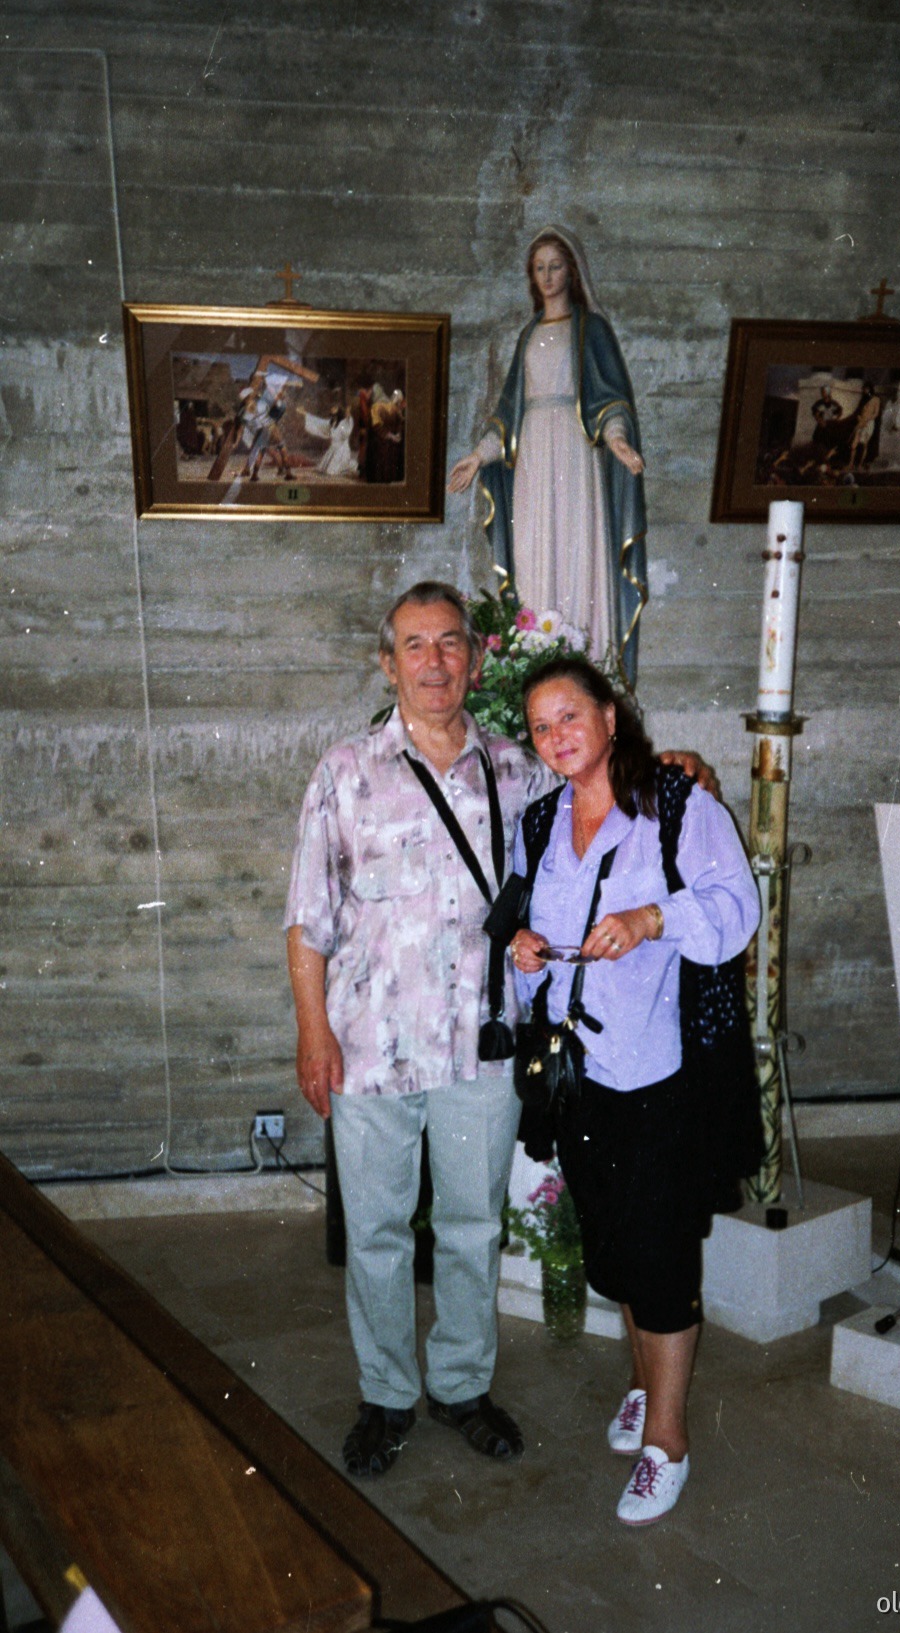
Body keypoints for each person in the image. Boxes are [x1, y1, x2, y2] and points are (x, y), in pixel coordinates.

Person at [284, 582, 721, 1485]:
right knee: (376, 1230)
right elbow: (306, 918)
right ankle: (386, 1394)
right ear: (388, 663)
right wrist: (312, 1032)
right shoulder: (344, 772)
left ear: (475, 659)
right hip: (368, 1045)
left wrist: (680, 767)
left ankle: (460, 1384)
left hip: (478, 1046)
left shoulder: (520, 771)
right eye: (415, 645)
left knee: (472, 1226)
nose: (434, 660)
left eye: (450, 642)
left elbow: (605, 789)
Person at [510, 658, 760, 1526]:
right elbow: (526, 928)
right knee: (615, 1247)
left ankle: (668, 1441)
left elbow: (735, 906)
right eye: (540, 726)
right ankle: (644, 1382)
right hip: (581, 1079)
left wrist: (652, 918)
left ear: (609, 716)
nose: (556, 736)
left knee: (660, 1257)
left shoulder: (676, 803)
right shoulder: (541, 820)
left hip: (660, 1074)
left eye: (569, 715)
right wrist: (524, 948)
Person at [447, 225, 647, 686]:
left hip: (576, 453)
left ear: (571, 271)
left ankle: (590, 672)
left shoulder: (591, 329)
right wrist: (478, 456)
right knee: (535, 553)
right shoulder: (529, 334)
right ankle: (538, 670)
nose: (548, 276)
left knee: (579, 550)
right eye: (540, 268)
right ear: (531, 276)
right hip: (534, 456)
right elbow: (509, 411)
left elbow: (610, 399)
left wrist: (617, 439)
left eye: (555, 266)